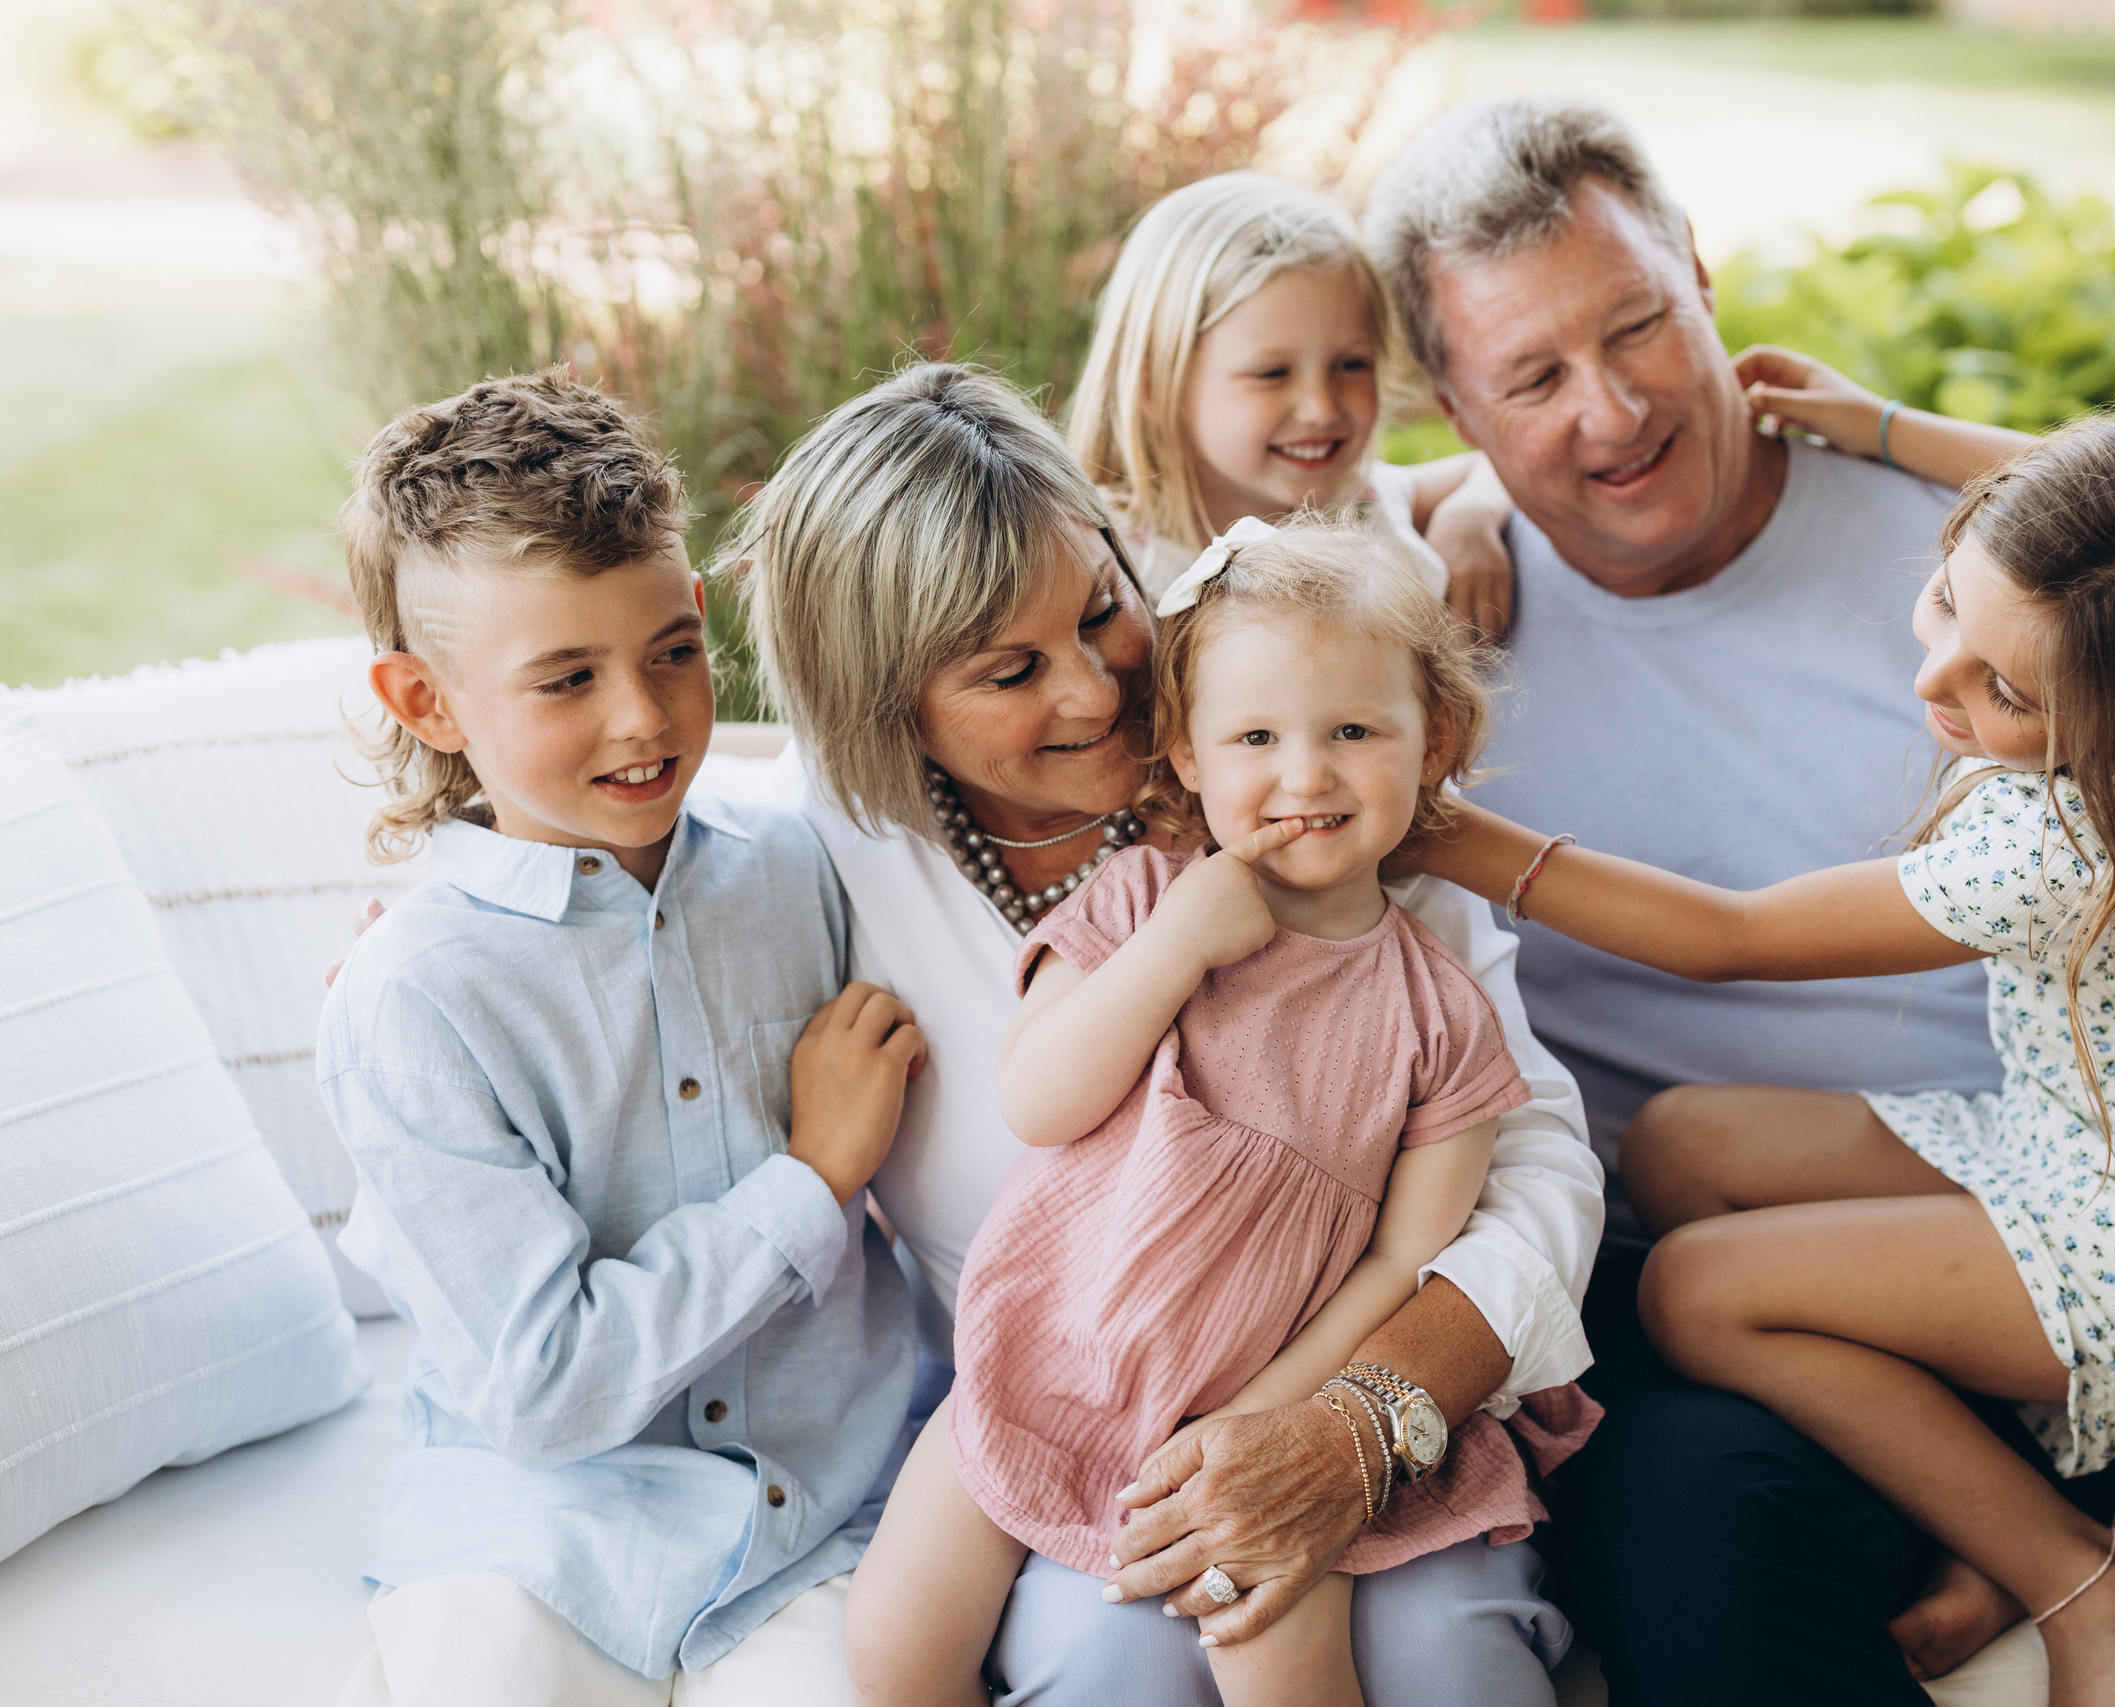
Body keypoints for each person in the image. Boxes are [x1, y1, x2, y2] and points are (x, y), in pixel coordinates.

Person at [1362, 94, 2115, 1705]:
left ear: (1705, 279)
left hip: (2112, 1215)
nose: (1617, 404)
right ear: (1446, 405)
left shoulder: (2027, 569)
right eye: (1532, 378)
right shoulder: (1408, 619)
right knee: (1696, 1544)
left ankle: (2077, 1566)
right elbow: (1202, 510)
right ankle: (2038, 1552)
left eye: (1640, 325)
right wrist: (1433, 509)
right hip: (1770, 1272)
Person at [1408, 404, 2115, 1707]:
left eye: (2005, 691)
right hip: (2085, 1153)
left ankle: (2088, 1580)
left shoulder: (2067, 840)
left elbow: (1723, 938)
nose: (1940, 680)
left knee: (1697, 1293)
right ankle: (1987, 1503)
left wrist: (1442, 831)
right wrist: (1873, 422)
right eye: (1946, 600)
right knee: (1677, 1142)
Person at [732, 363, 1602, 1704]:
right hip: (1064, 1379)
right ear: (885, 705)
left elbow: (1530, 1167)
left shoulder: (1297, 736)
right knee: (1104, 1658)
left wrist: (1342, 1415)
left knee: (1444, 1652)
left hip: (1350, 1369)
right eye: (1011, 670)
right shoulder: (826, 853)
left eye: (1101, 611)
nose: (1094, 693)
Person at [317, 371, 927, 1705]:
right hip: (540, 1532)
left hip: (827, 1508)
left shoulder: (803, 867)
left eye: (669, 649)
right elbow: (547, 1385)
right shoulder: (412, 997)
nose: (645, 716)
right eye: (566, 679)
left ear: (702, 614)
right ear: (427, 702)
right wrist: (809, 1180)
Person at [1066, 171, 1514, 634]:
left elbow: (1502, 464)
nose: (1321, 408)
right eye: (1272, 374)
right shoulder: (1109, 567)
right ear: (1158, 388)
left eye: (1351, 365)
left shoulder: (1363, 504)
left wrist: (1472, 514)